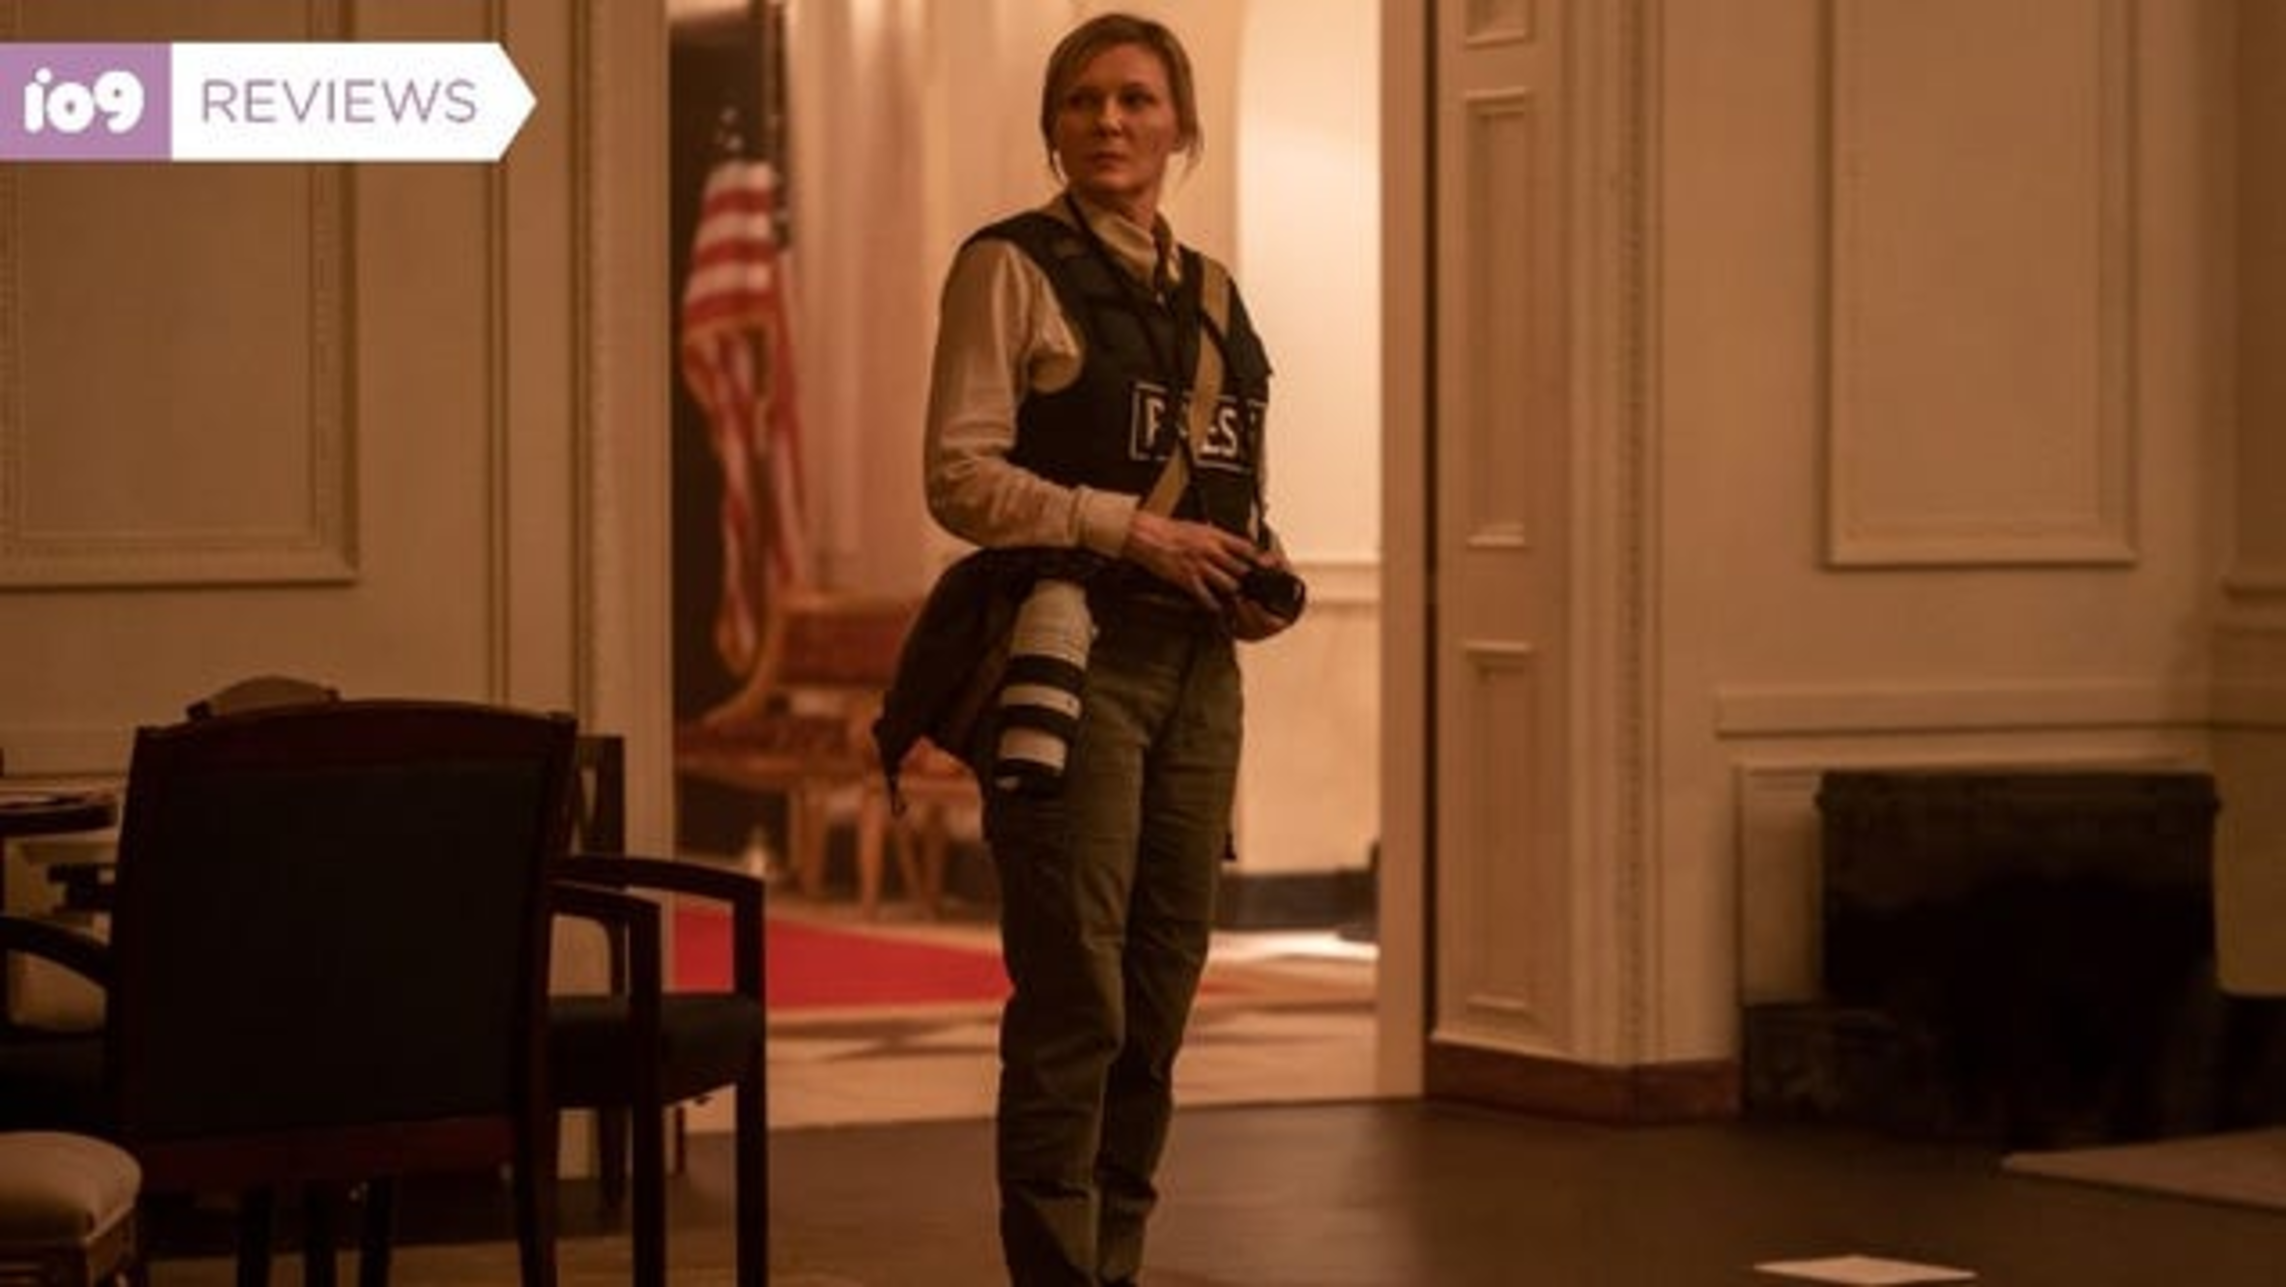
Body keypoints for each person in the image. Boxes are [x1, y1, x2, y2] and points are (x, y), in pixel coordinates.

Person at [919, 12, 1298, 1285]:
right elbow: (958, 476)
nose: (1109, 123)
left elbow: (1230, 485)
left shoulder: (1216, 296)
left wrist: (1253, 570)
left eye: (1136, 100)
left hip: (1200, 671)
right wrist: (1126, 532)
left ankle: (1115, 1259)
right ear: (1052, 125)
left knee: (1160, 983)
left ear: (1180, 125)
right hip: (1071, 660)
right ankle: (1056, 1271)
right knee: (1075, 991)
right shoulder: (1009, 265)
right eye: (1082, 101)